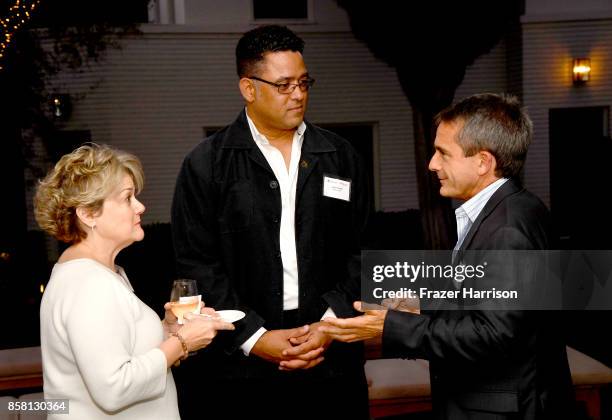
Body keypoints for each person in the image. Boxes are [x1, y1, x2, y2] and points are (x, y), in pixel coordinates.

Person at [321, 94, 576, 419]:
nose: (432, 164)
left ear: (483, 162)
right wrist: (421, 305)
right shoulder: (511, 208)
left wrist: (392, 327)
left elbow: (496, 334)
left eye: (443, 153)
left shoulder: (508, 229)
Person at [171, 25, 370, 419]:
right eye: (283, 85)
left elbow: (363, 250)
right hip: (239, 371)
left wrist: (329, 326)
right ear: (249, 88)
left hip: (330, 361)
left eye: (303, 82)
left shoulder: (340, 155)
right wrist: (255, 337)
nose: (298, 94)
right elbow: (196, 264)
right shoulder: (206, 164)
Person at [35, 144, 235, 419]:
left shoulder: (102, 274)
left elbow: (118, 353)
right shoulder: (89, 286)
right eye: (127, 198)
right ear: (88, 214)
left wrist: (169, 330)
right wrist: (182, 342)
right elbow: (114, 389)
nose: (140, 206)